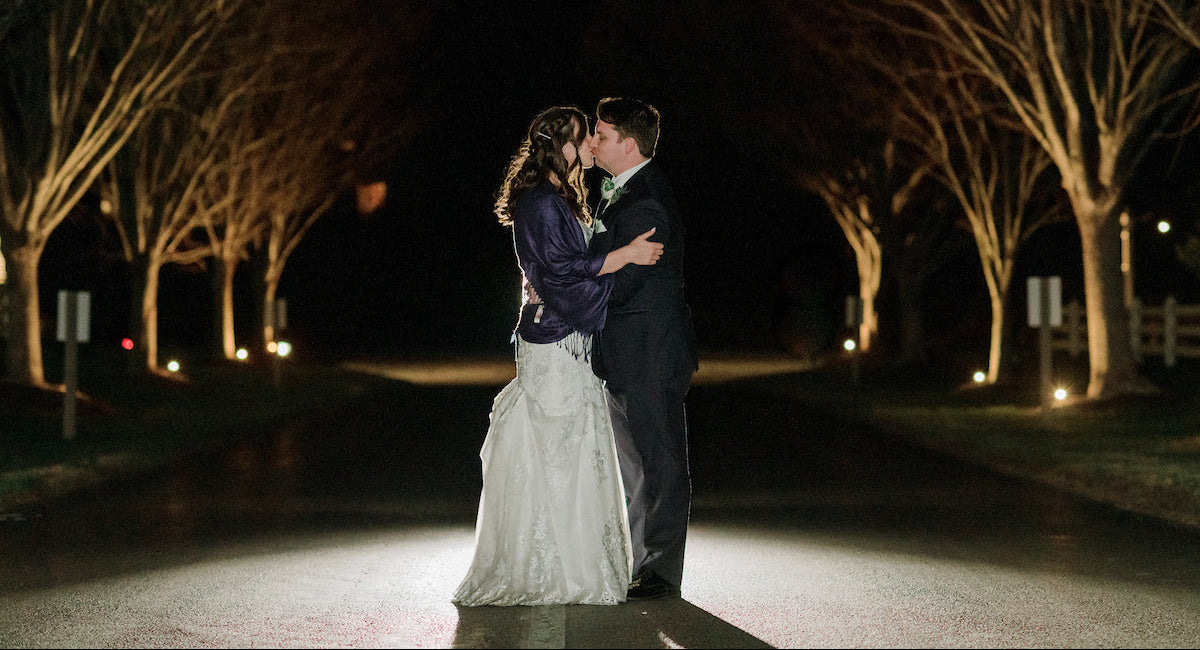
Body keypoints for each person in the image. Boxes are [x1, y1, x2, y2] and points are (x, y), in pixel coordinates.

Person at [452, 106, 664, 607]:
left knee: (573, 451)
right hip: (552, 343)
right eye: (581, 136)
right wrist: (625, 257)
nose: (591, 142)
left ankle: (574, 562)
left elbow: (570, 266)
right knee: (557, 452)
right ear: (560, 146)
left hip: (566, 343)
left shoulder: (559, 197)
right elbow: (559, 272)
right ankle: (550, 568)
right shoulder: (540, 202)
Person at [588, 97, 698, 601]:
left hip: (650, 353)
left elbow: (626, 283)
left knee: (660, 460)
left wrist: (567, 282)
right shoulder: (623, 193)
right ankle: (641, 557)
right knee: (640, 462)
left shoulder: (647, 200)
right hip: (631, 353)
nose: (594, 141)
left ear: (628, 145)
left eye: (603, 135)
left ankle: (660, 569)